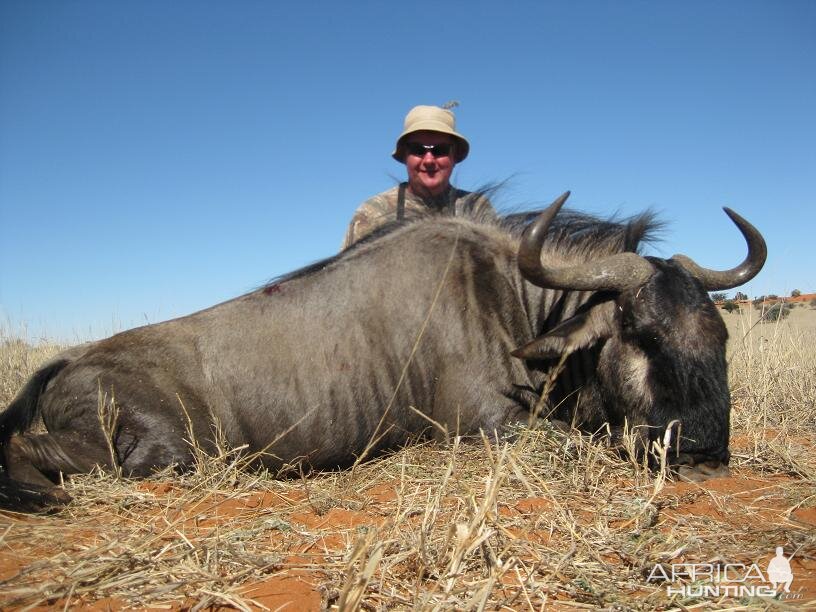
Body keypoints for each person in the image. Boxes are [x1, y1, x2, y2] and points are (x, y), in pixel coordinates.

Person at [341, 104, 495, 250]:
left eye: (440, 150)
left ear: (454, 157)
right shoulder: (372, 213)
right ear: (405, 157)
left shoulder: (477, 209)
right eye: (418, 150)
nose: (428, 160)